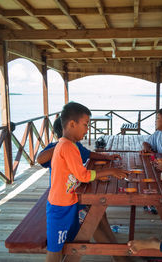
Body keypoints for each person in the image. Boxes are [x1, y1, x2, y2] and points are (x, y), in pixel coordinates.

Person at [46, 102, 127, 262]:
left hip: (69, 202)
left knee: (69, 243)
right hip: (60, 207)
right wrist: (111, 171)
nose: (87, 129)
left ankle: (120, 256)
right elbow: (83, 176)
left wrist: (97, 175)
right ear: (71, 124)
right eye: (85, 124)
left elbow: (77, 174)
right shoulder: (67, 146)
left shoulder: (68, 145)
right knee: (55, 250)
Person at [37, 116, 120, 187]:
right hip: (61, 191)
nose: (85, 130)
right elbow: (40, 159)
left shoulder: (76, 145)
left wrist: (107, 157)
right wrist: (61, 145)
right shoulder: (55, 147)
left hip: (74, 186)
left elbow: (89, 154)